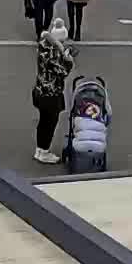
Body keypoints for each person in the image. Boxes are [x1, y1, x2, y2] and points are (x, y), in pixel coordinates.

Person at [32, 18, 74, 164]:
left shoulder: (43, 46)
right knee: (50, 122)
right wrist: (68, 60)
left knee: (43, 121)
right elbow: (62, 71)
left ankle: (39, 149)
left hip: (40, 89)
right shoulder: (53, 53)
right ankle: (44, 151)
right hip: (50, 93)